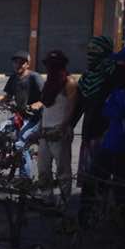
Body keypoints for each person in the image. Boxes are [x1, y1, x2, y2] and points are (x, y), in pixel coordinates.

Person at [88, 46, 125, 225]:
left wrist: (121, 113)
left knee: (122, 185)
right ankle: (93, 214)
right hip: (109, 144)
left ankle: (121, 222)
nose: (116, 66)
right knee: (95, 179)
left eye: (120, 63)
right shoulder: (117, 88)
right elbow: (107, 109)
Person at [0, 49, 45, 179]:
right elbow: (8, 96)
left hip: (35, 119)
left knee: (20, 144)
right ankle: (4, 160)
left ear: (28, 64)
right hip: (20, 117)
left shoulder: (35, 77)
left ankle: (25, 179)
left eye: (21, 63)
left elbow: (46, 97)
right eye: (15, 62)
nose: (18, 65)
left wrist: (37, 104)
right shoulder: (14, 77)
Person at [76, 35, 117, 197]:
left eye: (96, 50)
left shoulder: (114, 76)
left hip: (106, 134)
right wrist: (68, 127)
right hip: (89, 134)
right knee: (88, 180)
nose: (90, 54)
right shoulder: (86, 78)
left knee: (103, 178)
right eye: (89, 50)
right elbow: (79, 107)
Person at [37, 49, 78, 206]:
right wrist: (40, 127)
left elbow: (71, 108)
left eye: (54, 65)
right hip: (45, 131)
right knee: (43, 169)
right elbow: (45, 108)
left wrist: (63, 126)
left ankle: (64, 201)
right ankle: (47, 198)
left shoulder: (69, 82)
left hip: (59, 132)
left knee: (63, 171)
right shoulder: (49, 83)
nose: (50, 68)